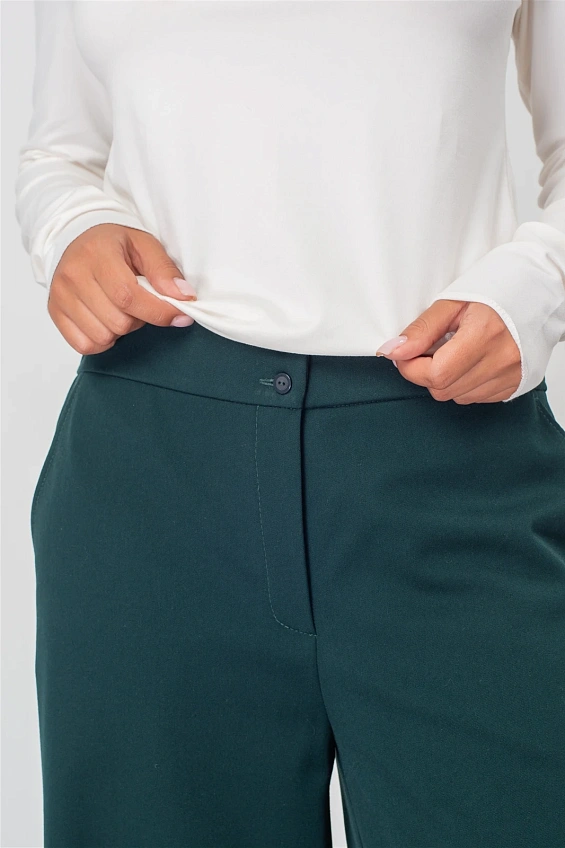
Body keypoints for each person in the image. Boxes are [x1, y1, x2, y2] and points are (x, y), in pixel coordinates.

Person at [15, 1, 565, 846]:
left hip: (453, 453)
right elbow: (59, 153)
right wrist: (75, 228)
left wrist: (531, 289)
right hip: (152, 475)